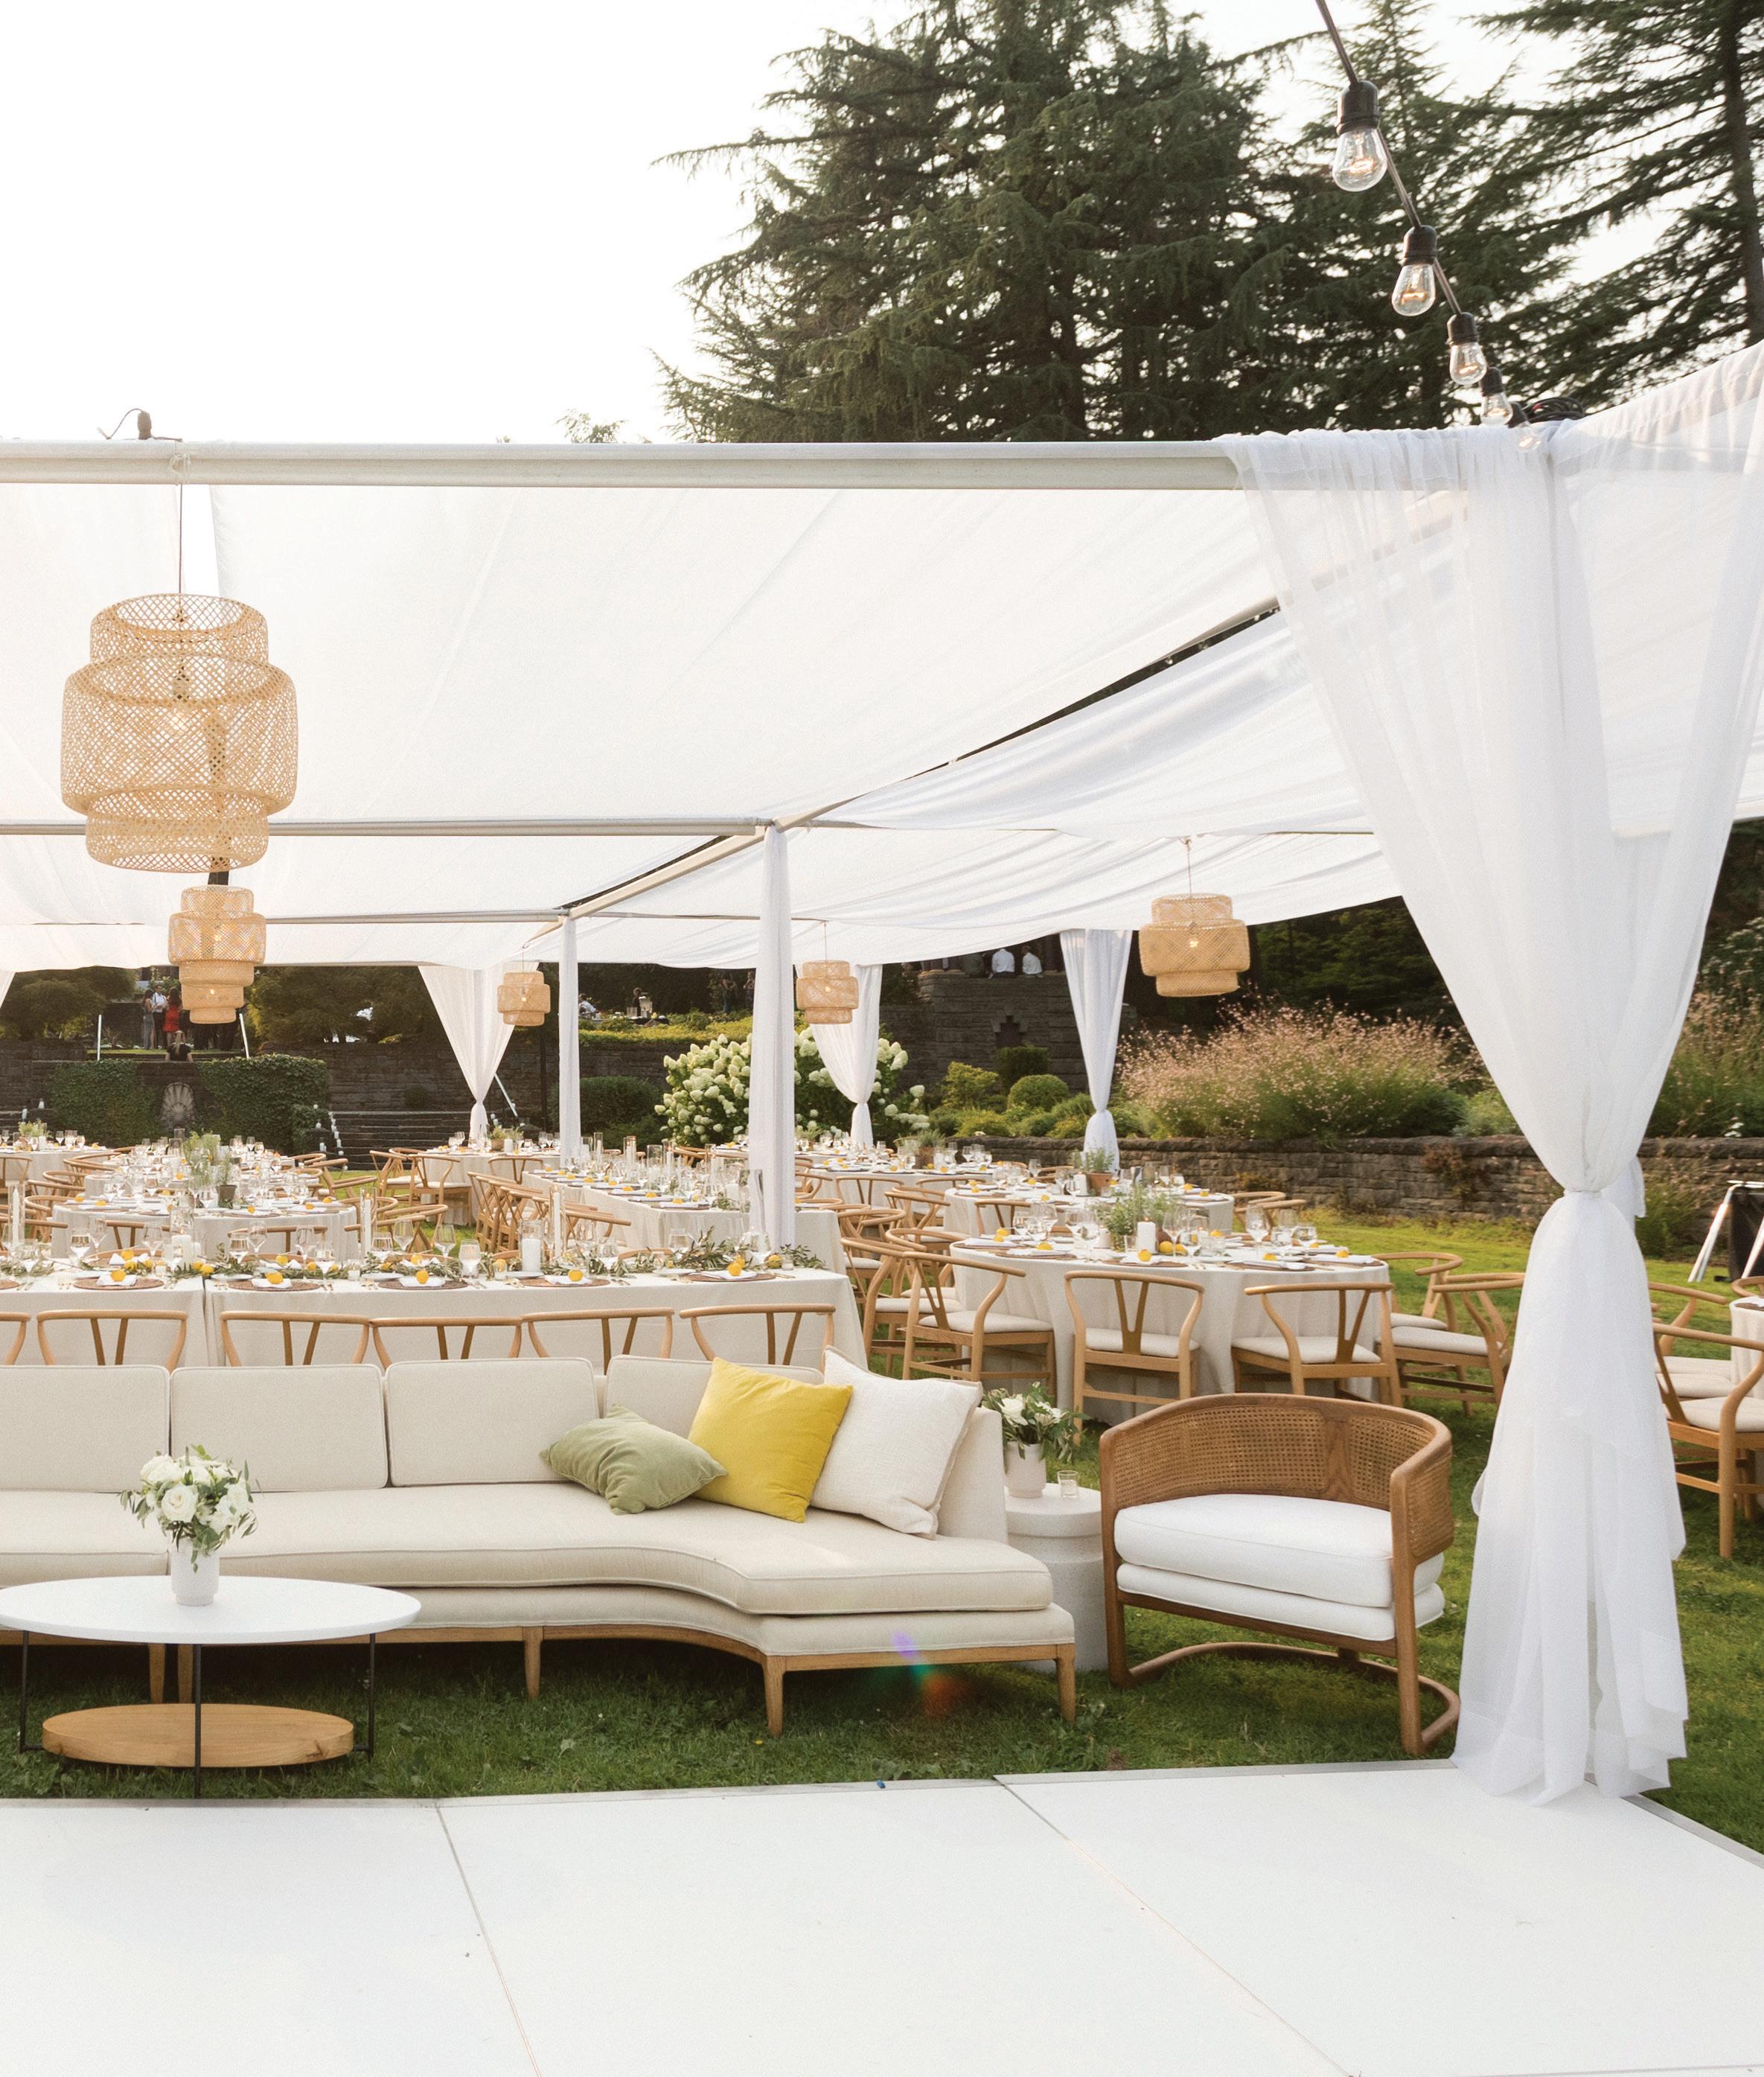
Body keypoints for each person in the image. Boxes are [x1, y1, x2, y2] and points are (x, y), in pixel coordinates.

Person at [146, 983, 168, 1047]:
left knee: (164, 1030)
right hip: (156, 1014)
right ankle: (155, 1045)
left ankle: (165, 1045)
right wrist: (156, 1006)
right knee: (156, 1030)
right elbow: (152, 1005)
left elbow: (166, 1005)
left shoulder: (163, 997)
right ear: (156, 989)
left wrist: (164, 1006)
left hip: (162, 1014)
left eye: (161, 989)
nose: (160, 990)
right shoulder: (153, 997)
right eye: (159, 989)